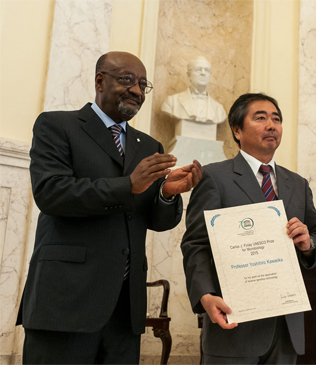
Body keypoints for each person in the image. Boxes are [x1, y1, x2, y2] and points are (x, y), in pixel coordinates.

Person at [17, 51, 203, 364]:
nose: (136, 90)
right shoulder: (57, 125)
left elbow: (154, 220)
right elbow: (51, 193)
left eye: (143, 85)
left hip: (124, 309)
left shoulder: (149, 146)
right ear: (99, 80)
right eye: (127, 80)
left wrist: (167, 194)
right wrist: (129, 184)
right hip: (67, 301)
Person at [181, 93, 316, 364]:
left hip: (285, 328)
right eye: (260, 118)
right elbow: (196, 245)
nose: (271, 125)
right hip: (234, 325)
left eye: (277, 119)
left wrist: (309, 245)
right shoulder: (215, 177)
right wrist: (204, 295)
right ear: (237, 130)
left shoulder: (297, 183)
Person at [161, 56, 227, 141]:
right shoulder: (173, 102)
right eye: (198, 69)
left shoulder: (219, 109)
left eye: (207, 70)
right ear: (189, 75)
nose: (203, 73)